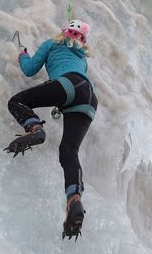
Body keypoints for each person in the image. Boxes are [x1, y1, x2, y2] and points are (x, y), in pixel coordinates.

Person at [5, 19, 98, 240]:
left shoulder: (52, 43)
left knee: (16, 102)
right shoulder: (82, 58)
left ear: (64, 32)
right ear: (82, 39)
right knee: (69, 151)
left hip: (67, 85)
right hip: (89, 98)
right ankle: (74, 199)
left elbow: (29, 70)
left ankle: (34, 127)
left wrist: (22, 53)